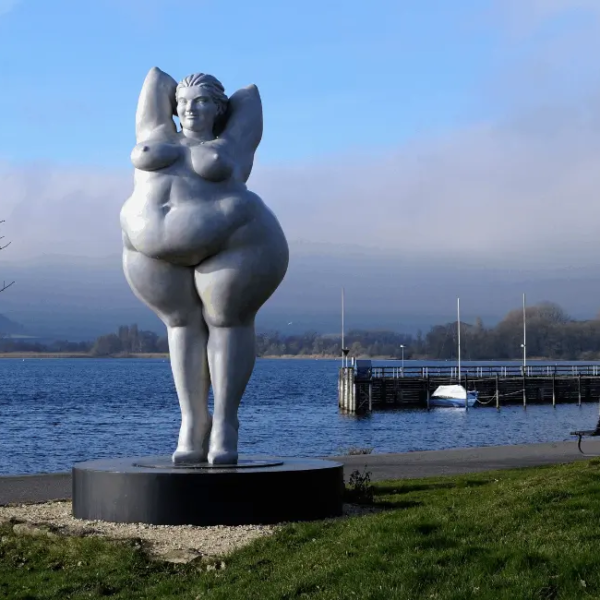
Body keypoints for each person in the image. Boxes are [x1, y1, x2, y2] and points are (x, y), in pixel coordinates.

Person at [120, 67, 289, 465]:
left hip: (238, 239)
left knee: (226, 321)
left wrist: (220, 101)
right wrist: (181, 88)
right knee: (181, 326)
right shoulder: (155, 132)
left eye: (201, 101)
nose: (190, 108)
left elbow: (250, 97)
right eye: (183, 102)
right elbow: (155, 78)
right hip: (149, 249)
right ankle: (193, 421)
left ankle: (226, 423)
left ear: (219, 108)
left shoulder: (233, 143)